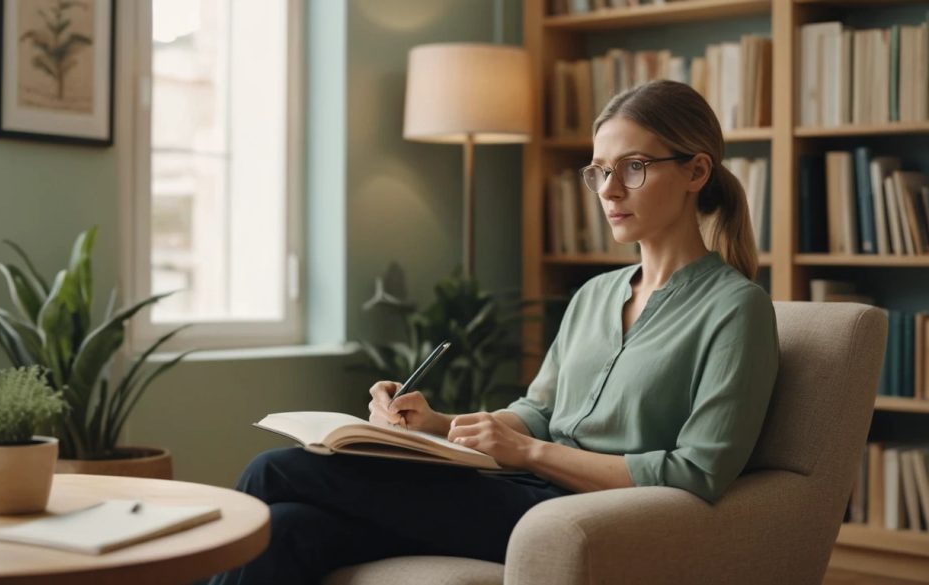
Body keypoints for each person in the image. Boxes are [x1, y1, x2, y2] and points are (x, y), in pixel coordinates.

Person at [210, 79, 779, 585]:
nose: (608, 190)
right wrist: (436, 425)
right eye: (599, 171)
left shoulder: (736, 309)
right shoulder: (595, 296)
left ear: (696, 172)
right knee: (287, 529)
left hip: (578, 514)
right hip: (519, 492)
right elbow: (537, 409)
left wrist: (530, 453)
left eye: (633, 167)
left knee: (274, 470)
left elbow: (697, 471)